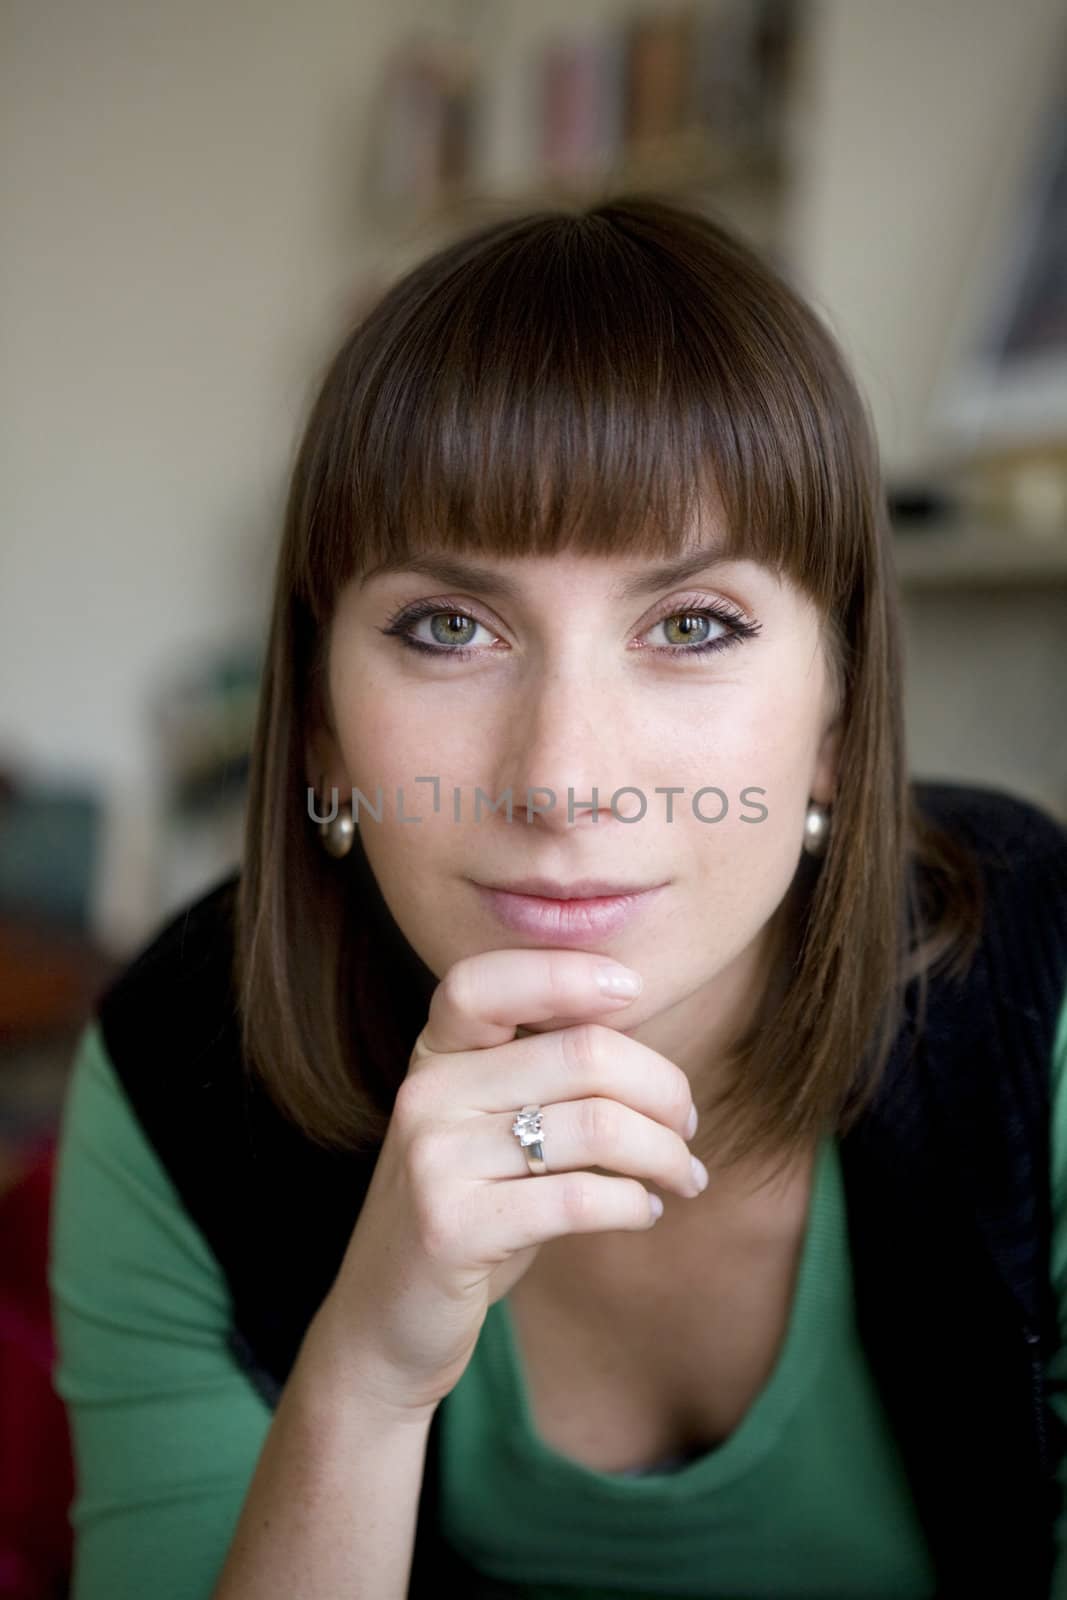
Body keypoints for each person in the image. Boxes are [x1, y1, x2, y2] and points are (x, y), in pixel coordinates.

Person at [47, 193, 1067, 1600]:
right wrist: (366, 1378)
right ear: (324, 731)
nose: (564, 779)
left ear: (835, 719)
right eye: (448, 628)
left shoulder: (1044, 988)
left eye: (692, 626)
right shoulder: (174, 1069)